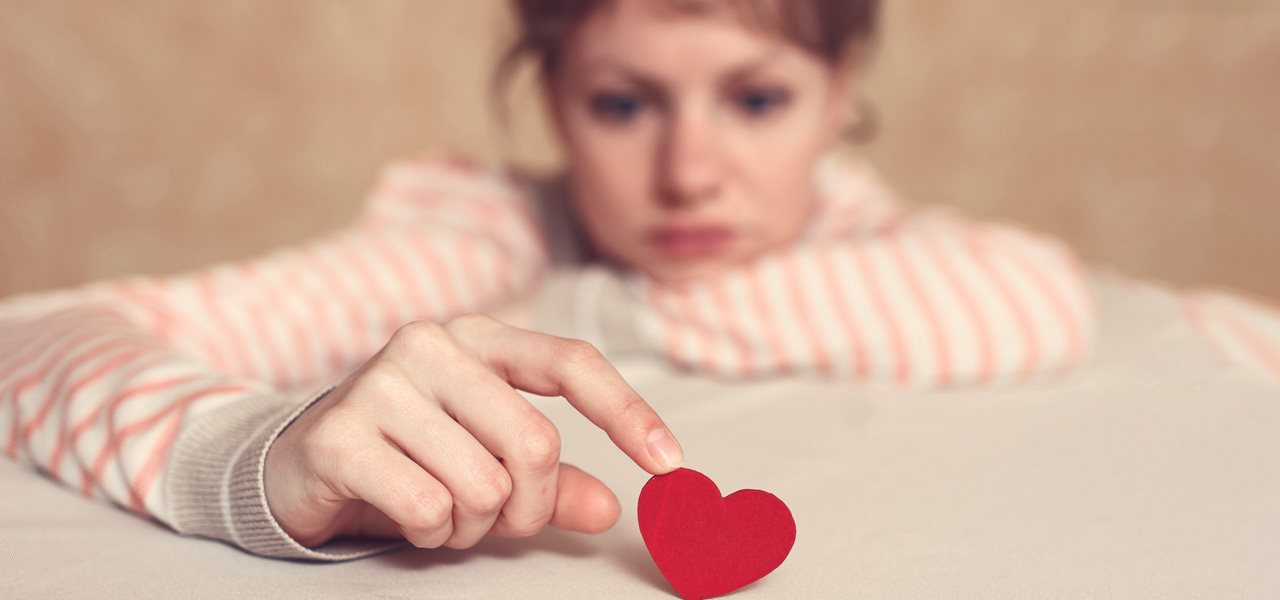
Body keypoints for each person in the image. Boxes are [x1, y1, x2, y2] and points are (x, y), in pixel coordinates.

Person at [1, 0, 1277, 563]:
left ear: (839, 98)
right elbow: (39, 335)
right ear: (549, 96)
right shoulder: (484, 238)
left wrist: (607, 307)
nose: (688, 172)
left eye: (756, 99)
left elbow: (1028, 302)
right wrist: (256, 455)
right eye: (622, 103)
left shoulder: (861, 227)